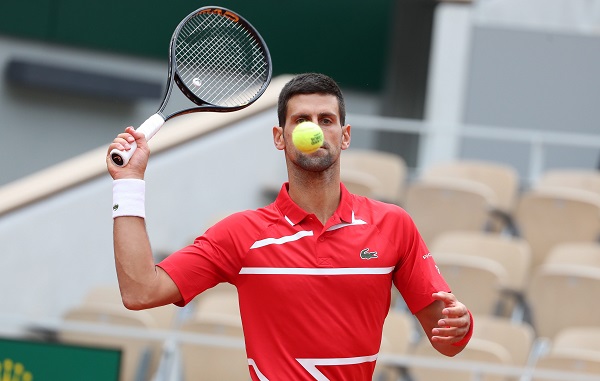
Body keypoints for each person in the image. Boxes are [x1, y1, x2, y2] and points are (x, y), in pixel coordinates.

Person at [106, 72, 473, 380]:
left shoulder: (393, 225)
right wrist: (129, 181)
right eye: (301, 120)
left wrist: (462, 324)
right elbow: (140, 292)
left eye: (326, 120)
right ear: (280, 137)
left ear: (344, 136)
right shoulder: (240, 233)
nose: (314, 129)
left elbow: (446, 341)